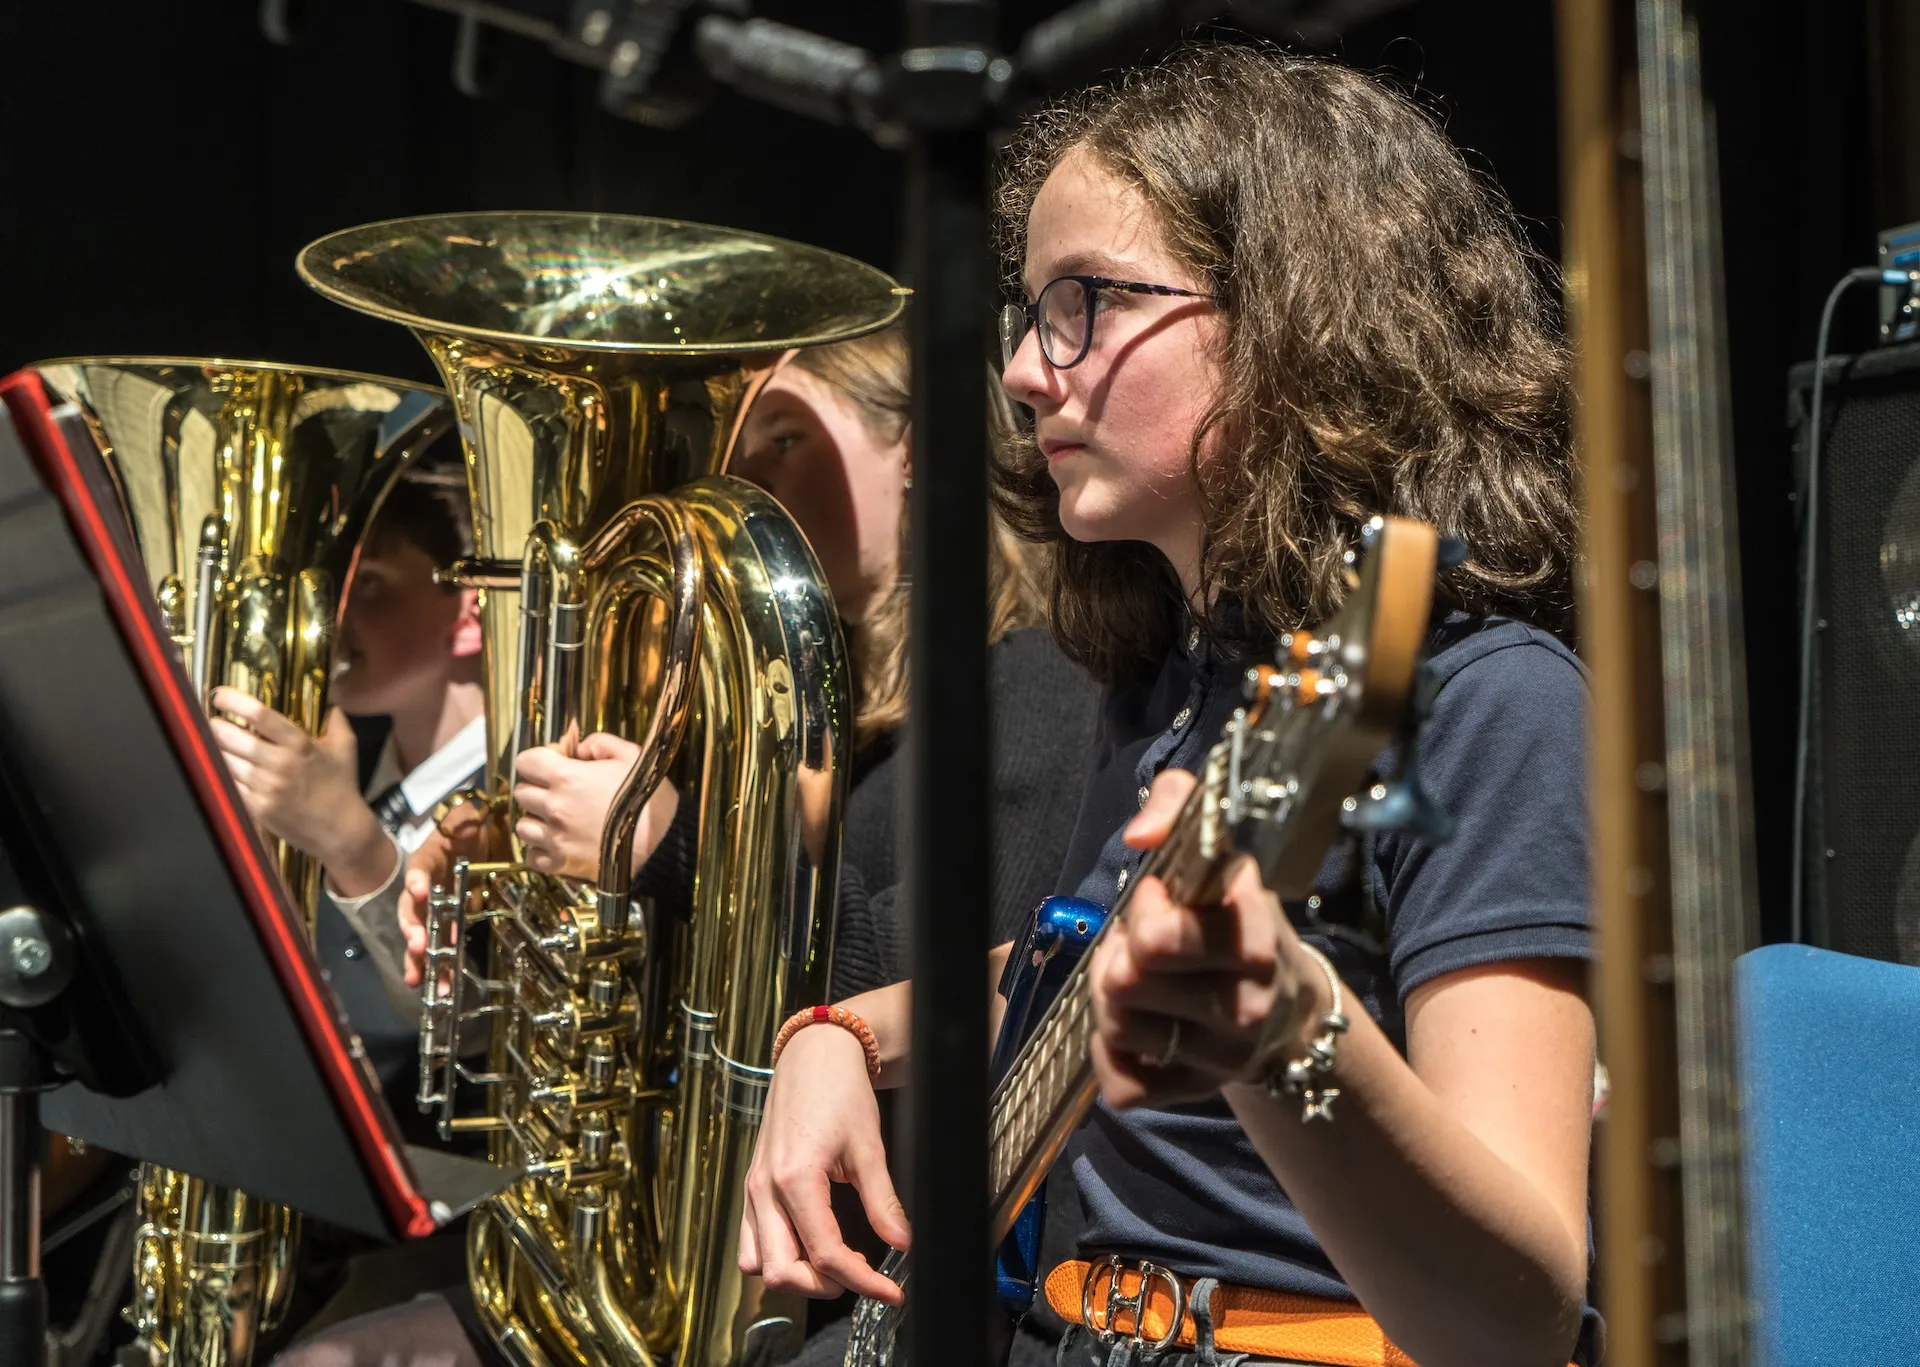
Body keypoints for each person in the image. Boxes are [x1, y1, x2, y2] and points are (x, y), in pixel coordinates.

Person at [741, 44, 1598, 1367]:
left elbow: (1517, 1317)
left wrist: (1287, 1034)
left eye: (1083, 302)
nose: (1025, 371)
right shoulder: (1172, 679)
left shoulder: (1487, 699)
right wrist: (841, 1031)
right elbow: (1082, 963)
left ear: (1296, 316)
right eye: (1031, 311)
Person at [271, 327, 1102, 1367]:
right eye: (737, 454)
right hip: (707, 1253)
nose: (742, 489)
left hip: (850, 1294)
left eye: (783, 440)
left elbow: (954, 997)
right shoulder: (804, 720)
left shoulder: (1035, 684)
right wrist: (511, 878)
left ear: (917, 449)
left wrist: (668, 842)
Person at [211, 448, 486, 1095]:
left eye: (370, 582)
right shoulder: (354, 755)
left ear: (469, 613)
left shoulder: (517, 796)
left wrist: (350, 843)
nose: (329, 617)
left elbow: (480, 1034)